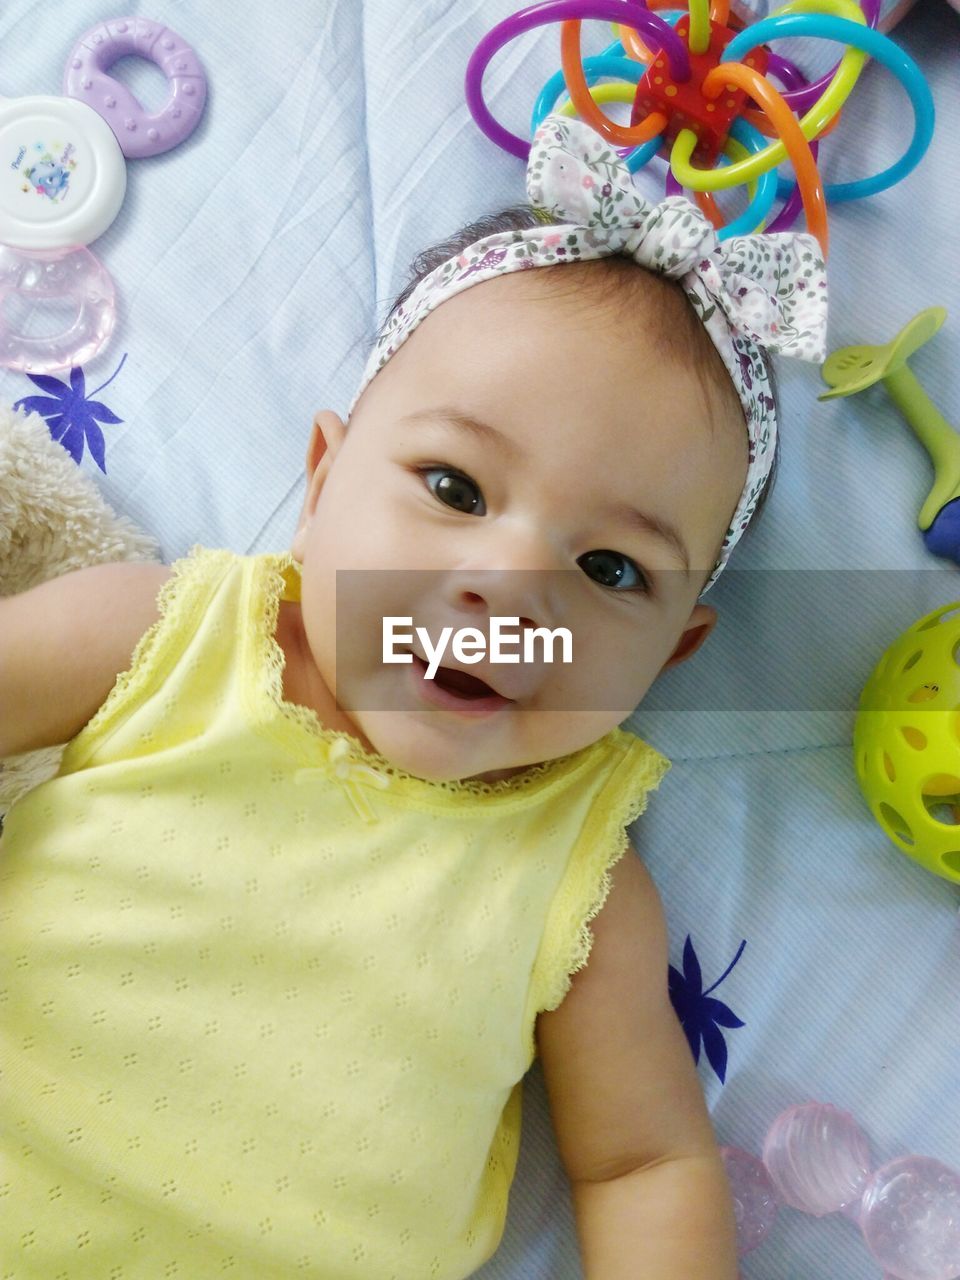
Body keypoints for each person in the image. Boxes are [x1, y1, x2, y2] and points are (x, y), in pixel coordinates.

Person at [0, 114, 826, 1279]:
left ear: (673, 654)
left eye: (609, 571)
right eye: (454, 485)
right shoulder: (164, 634)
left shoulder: (579, 884)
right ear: (324, 475)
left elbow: (643, 1163)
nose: (506, 589)